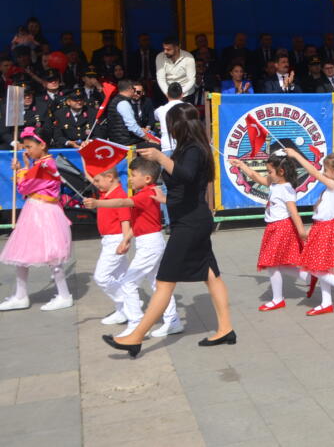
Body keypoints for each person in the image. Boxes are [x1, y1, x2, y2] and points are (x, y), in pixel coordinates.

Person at [102, 104, 234, 357]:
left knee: (164, 281)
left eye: (170, 124)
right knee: (211, 275)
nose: (168, 129)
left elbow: (187, 176)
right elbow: (187, 187)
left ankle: (136, 336)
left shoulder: (194, 149)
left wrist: (161, 158)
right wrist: (166, 197)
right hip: (191, 218)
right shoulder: (189, 147)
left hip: (190, 223)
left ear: (179, 125)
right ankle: (226, 328)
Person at [84, 158, 182, 338]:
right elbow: (137, 223)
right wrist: (126, 239)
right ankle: (173, 321)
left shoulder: (146, 194)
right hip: (149, 242)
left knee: (128, 283)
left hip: (150, 244)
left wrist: (97, 203)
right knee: (158, 284)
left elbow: (122, 203)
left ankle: (137, 324)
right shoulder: (147, 192)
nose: (130, 179)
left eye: (133, 175)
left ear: (147, 178)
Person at [0, 127, 73, 311]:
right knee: (22, 253)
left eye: (29, 147)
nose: (27, 150)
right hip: (35, 210)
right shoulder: (41, 163)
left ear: (42, 145)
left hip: (44, 212)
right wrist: (25, 168)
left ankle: (64, 295)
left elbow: (24, 187)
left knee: (52, 256)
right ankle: (20, 295)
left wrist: (21, 170)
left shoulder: (45, 166)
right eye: (25, 147)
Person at [230, 153, 307, 311]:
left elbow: (294, 212)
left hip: (281, 227)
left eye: (270, 171)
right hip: (273, 227)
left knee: (272, 263)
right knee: (276, 264)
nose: (268, 174)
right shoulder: (275, 182)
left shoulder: (286, 189)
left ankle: (279, 298)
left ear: (281, 171)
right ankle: (308, 277)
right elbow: (257, 177)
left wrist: (301, 232)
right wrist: (241, 165)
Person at [287, 149, 334, 316]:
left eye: (326, 170)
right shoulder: (330, 189)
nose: (323, 173)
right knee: (322, 267)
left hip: (326, 229)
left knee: (316, 268)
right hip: (321, 228)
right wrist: (312, 229)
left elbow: (313, 173)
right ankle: (326, 302)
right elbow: (320, 213)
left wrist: (296, 155)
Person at [85, 167, 132, 326]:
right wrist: (85, 159)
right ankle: (123, 311)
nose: (95, 184)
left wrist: (125, 241)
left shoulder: (119, 196)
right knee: (120, 276)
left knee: (102, 276)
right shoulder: (106, 192)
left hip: (116, 239)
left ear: (110, 177)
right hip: (109, 239)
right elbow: (90, 176)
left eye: (97, 181)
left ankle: (129, 302)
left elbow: (125, 221)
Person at [105, 80, 148, 147]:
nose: (134, 92)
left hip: (117, 140)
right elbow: (132, 126)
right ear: (130, 89)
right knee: (157, 147)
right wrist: (148, 138)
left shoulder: (115, 100)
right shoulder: (123, 103)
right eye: (134, 89)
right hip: (127, 142)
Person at [155, 37, 196, 103]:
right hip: (167, 93)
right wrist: (168, 93)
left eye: (168, 49)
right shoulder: (160, 57)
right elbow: (161, 79)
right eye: (164, 49)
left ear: (177, 47)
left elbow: (191, 80)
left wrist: (179, 94)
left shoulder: (189, 58)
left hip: (186, 93)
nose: (165, 52)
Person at [154, 82, 185, 152]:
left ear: (167, 95)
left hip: (167, 147)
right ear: (182, 95)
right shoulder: (189, 107)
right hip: (185, 147)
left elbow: (156, 118)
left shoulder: (160, 110)